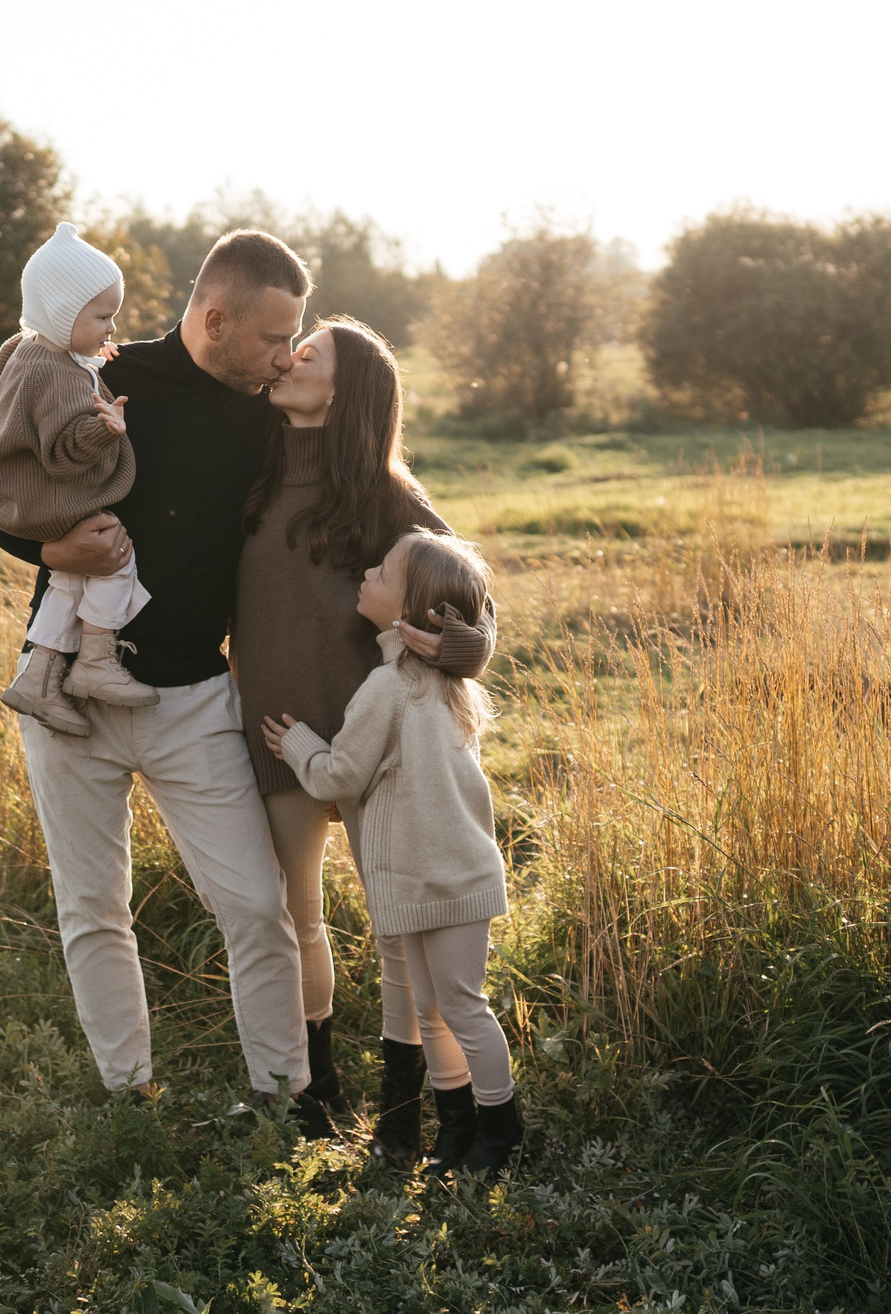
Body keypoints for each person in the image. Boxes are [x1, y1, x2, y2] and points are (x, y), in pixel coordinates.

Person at [0, 229, 321, 1122]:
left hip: (194, 698)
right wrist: (46, 545)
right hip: (67, 700)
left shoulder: (267, 419)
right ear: (214, 320)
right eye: (274, 339)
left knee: (254, 905)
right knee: (92, 909)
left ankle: (278, 1099)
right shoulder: (99, 376)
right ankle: (129, 1098)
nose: (285, 358)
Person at [235, 319, 494, 1161]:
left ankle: (408, 1111)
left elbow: (475, 615)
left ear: (346, 391)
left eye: (310, 352)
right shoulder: (254, 473)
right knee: (292, 919)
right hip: (279, 737)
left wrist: (455, 647)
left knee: (397, 935)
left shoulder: (389, 498)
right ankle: (315, 1091)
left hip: (379, 754)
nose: (289, 356)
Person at [262, 530, 522, 1177]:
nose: (367, 572)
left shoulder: (388, 686)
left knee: (459, 1007)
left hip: (443, 881)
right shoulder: (443, 683)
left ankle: (499, 1133)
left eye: (382, 571)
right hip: (438, 879)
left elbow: (337, 776)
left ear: (411, 611)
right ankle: (456, 1133)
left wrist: (297, 746)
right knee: (439, 1010)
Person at [0, 222, 158, 736]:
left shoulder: (31, 348)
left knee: (70, 578)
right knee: (113, 555)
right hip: (48, 495)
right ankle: (96, 663)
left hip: (19, 493)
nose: (112, 329)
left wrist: (88, 358)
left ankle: (38, 677)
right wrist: (107, 428)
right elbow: (63, 452)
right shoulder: (54, 371)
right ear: (62, 313)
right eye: (102, 316)